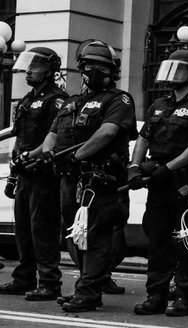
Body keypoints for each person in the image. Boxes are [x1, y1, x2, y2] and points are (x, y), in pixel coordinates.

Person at [41, 40, 136, 314]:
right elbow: (52, 134)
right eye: (88, 66)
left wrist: (78, 155)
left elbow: (107, 133)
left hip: (100, 179)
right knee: (75, 234)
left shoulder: (119, 99)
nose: (92, 70)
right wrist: (49, 153)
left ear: (111, 70)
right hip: (70, 179)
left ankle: (89, 291)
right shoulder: (71, 102)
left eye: (99, 66)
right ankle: (85, 284)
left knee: (95, 236)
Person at [127, 49, 188, 316]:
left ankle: (185, 296)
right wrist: (133, 167)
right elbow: (144, 138)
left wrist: (169, 168)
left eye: (180, 70)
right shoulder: (159, 105)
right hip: (158, 181)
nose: (173, 75)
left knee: (186, 240)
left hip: (186, 181)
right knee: (158, 239)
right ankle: (156, 294)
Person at [0, 48, 67, 300]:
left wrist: (32, 157)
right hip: (24, 173)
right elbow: (19, 138)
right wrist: (13, 173)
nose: (28, 71)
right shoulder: (27, 100)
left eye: (35, 67)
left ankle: (49, 282)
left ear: (50, 71)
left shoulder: (57, 100)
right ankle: (23, 277)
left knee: (43, 229)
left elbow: (56, 137)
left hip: (44, 173)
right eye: (29, 66)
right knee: (23, 229)